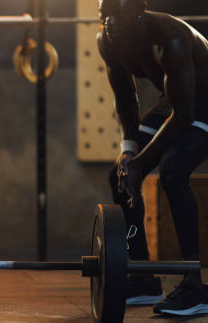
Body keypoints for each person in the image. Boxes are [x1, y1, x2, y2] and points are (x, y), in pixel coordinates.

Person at [98, 0, 208, 316]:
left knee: (173, 172)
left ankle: (194, 285)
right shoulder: (108, 41)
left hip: (202, 102)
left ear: (139, 13)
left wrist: (143, 166)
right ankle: (144, 276)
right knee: (118, 174)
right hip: (175, 101)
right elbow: (125, 99)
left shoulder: (169, 38)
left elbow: (184, 115)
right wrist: (129, 152)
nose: (110, 25)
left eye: (118, 17)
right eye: (105, 17)